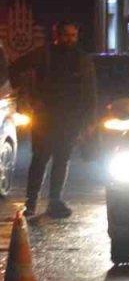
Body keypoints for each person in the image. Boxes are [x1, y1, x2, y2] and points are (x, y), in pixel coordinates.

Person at [12, 22, 97, 218]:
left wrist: (89, 119)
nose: (70, 39)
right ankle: (31, 203)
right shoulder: (44, 54)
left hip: (70, 118)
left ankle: (55, 201)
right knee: (40, 159)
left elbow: (90, 91)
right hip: (46, 118)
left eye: (73, 35)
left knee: (62, 159)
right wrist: (28, 96)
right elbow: (16, 68)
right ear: (56, 35)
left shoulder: (82, 59)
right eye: (66, 35)